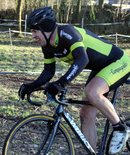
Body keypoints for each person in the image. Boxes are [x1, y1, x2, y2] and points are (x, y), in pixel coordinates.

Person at [18, 6, 130, 154]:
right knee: (86, 114)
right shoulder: (47, 45)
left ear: (46, 29)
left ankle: (120, 129)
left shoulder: (67, 33)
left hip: (119, 61)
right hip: (100, 67)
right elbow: (48, 71)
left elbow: (82, 60)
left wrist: (61, 83)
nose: (32, 36)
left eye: (34, 31)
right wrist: (31, 86)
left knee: (93, 92)